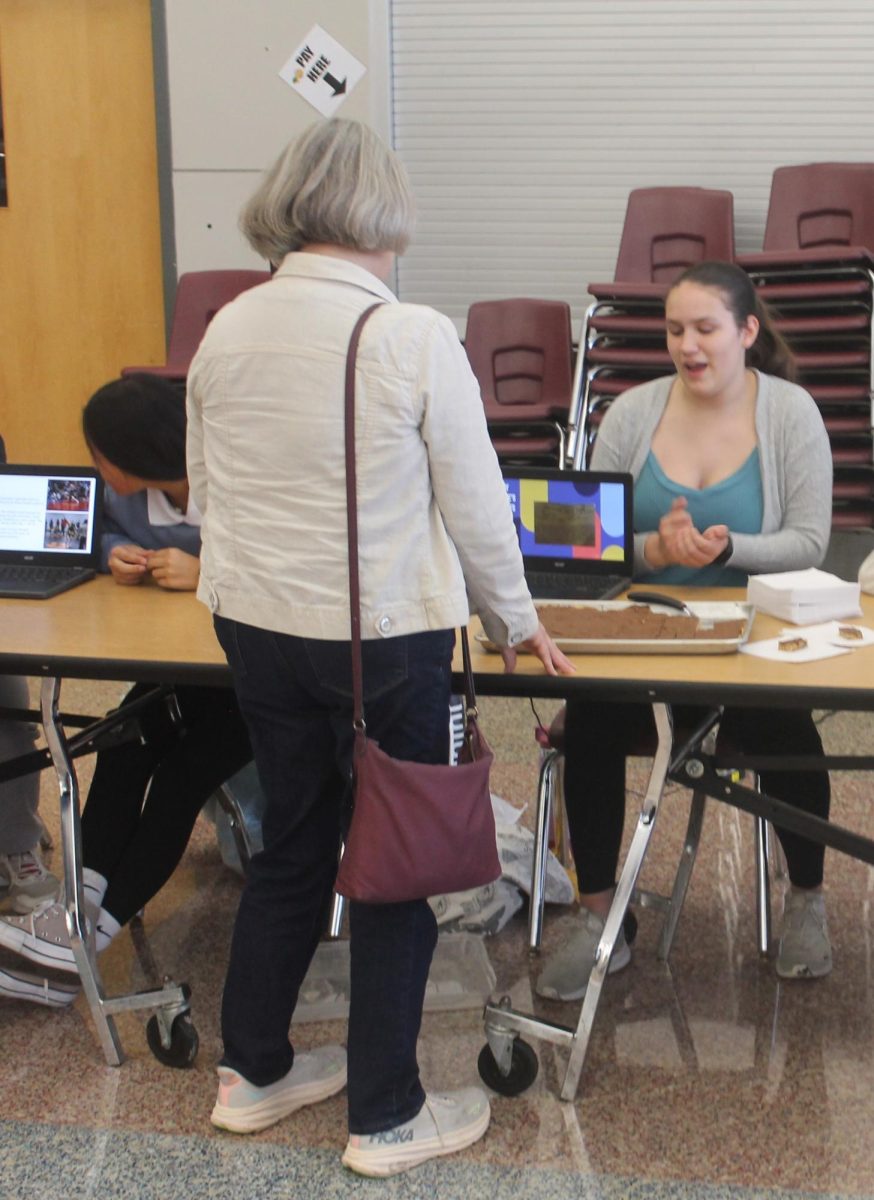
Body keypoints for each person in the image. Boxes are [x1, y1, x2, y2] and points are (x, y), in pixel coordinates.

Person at [187, 117, 573, 1178]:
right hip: (383, 643)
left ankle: (252, 1075)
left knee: (294, 846)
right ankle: (387, 1114)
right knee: (396, 864)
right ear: (382, 214)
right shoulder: (408, 336)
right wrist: (514, 617)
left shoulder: (227, 325)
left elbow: (207, 496)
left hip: (257, 629)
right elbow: (478, 504)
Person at [536, 260, 834, 1003]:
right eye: (675, 329)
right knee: (594, 721)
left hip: (752, 640)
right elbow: (588, 544)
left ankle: (807, 898)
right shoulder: (631, 414)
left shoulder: (791, 412)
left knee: (786, 730)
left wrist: (729, 549)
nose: (688, 345)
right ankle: (600, 914)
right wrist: (658, 552)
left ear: (747, 331)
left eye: (705, 328)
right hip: (645, 636)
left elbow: (810, 542)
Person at [0, 375, 252, 1003]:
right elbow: (98, 533)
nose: (95, 469)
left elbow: (282, 564)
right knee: (121, 743)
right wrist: (113, 553)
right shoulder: (130, 500)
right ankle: (72, 919)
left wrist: (207, 569)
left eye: (99, 455)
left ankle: (83, 944)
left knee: (180, 778)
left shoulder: (237, 485)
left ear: (139, 452)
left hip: (258, 676)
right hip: (179, 666)